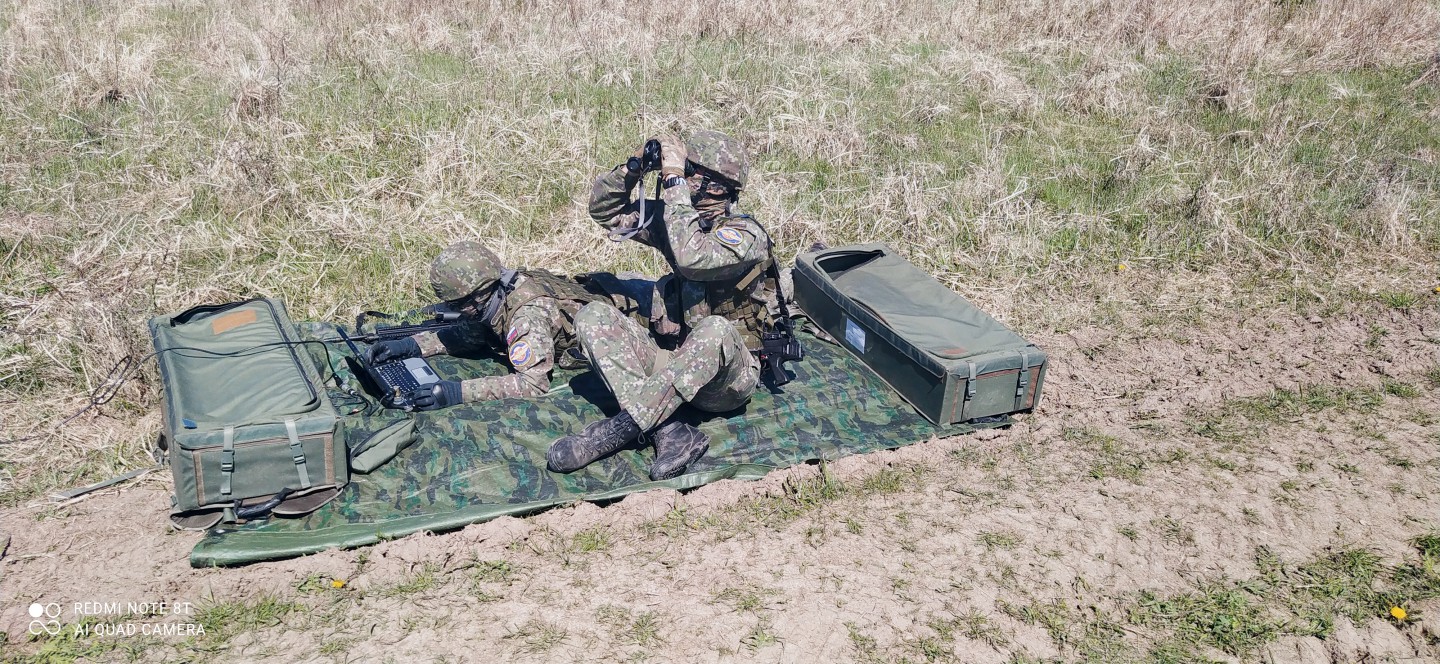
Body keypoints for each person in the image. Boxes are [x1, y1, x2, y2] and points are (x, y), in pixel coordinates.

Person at [546, 129, 788, 481]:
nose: (677, 175)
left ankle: (617, 431)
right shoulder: (676, 220)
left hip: (726, 380)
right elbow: (604, 211)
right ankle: (670, 430)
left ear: (716, 187)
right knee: (593, 315)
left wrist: (674, 179)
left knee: (716, 329)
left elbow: (692, 257)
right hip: (676, 362)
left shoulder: (747, 236)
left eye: (689, 171)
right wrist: (634, 167)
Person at [365, 241, 615, 409]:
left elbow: (533, 384)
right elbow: (469, 336)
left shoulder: (526, 317)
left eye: (456, 304)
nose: (452, 310)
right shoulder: (492, 298)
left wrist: (457, 393)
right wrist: (408, 346)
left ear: (478, 296)